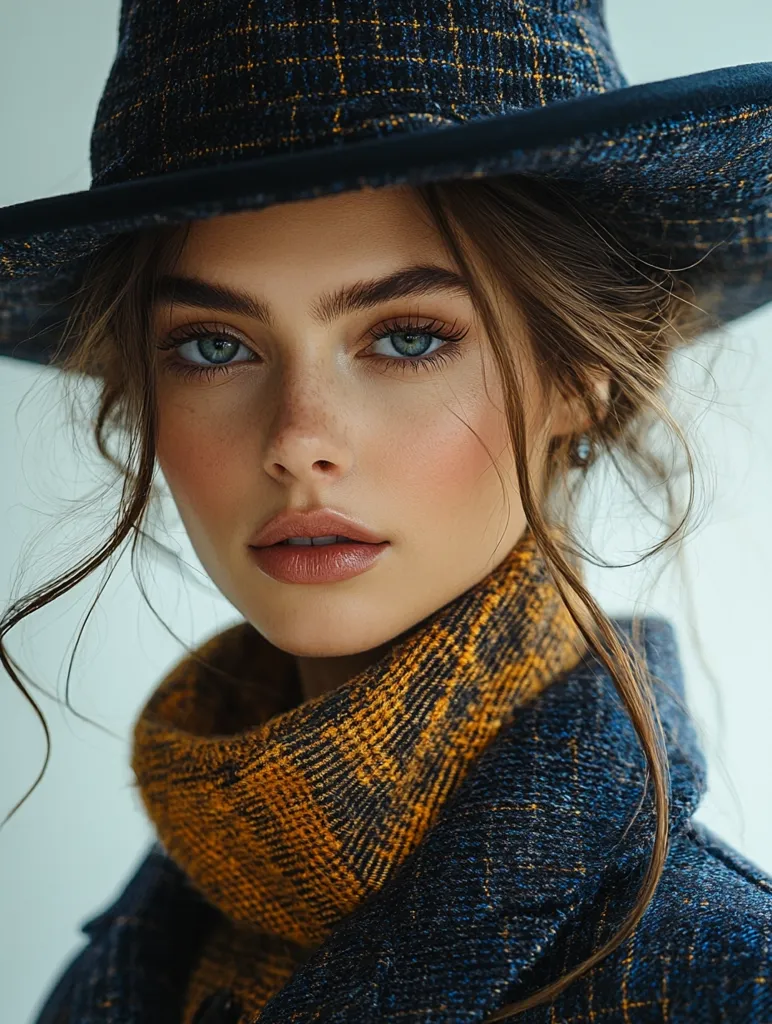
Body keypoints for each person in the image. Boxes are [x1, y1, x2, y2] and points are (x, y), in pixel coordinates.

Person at [1, 2, 770, 1022]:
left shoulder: (722, 980)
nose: (298, 438)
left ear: (579, 373)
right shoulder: (144, 956)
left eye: (407, 338)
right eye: (213, 346)